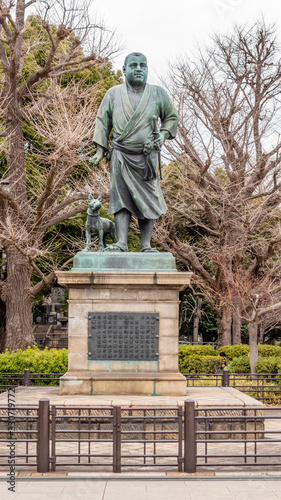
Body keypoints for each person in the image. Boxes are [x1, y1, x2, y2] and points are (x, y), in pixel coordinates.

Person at [91, 52, 179, 252]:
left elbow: (172, 118)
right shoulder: (113, 93)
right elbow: (102, 122)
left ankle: (146, 245)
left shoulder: (158, 93)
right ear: (124, 70)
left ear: (147, 69)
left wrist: (163, 135)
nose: (138, 69)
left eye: (142, 65)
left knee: (149, 199)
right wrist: (99, 151)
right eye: (133, 65)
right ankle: (121, 243)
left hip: (147, 157)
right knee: (121, 199)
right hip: (121, 154)